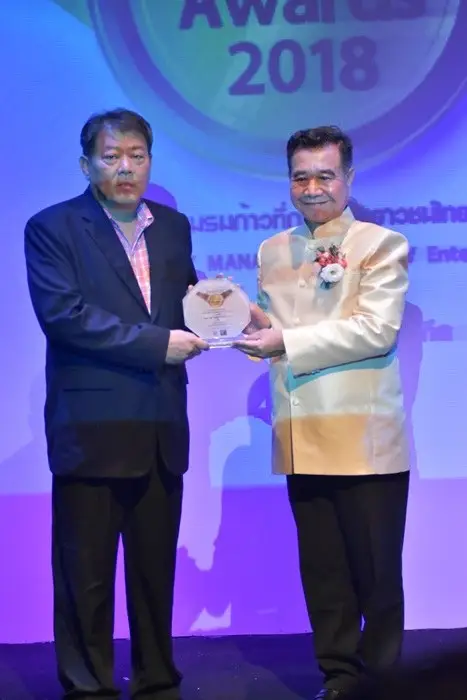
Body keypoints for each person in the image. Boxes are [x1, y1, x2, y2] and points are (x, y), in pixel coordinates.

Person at [24, 108, 208, 700]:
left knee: (155, 574)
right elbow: (66, 318)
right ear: (87, 165)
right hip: (92, 429)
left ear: (150, 161)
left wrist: (230, 317)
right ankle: (89, 686)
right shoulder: (52, 227)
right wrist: (159, 345)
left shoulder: (173, 227)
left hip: (160, 427)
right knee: (86, 577)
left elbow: (188, 302)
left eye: (137, 155)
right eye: (111, 157)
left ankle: (158, 679)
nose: (126, 167)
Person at [234, 126, 410, 699]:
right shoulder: (272, 249)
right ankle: (338, 674)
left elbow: (376, 331)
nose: (312, 188)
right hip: (300, 431)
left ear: (349, 178)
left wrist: (284, 340)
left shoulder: (381, 244)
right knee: (324, 569)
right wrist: (243, 329)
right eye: (300, 177)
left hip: (364, 438)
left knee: (376, 572)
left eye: (325, 175)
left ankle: (382, 680)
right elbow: (272, 327)